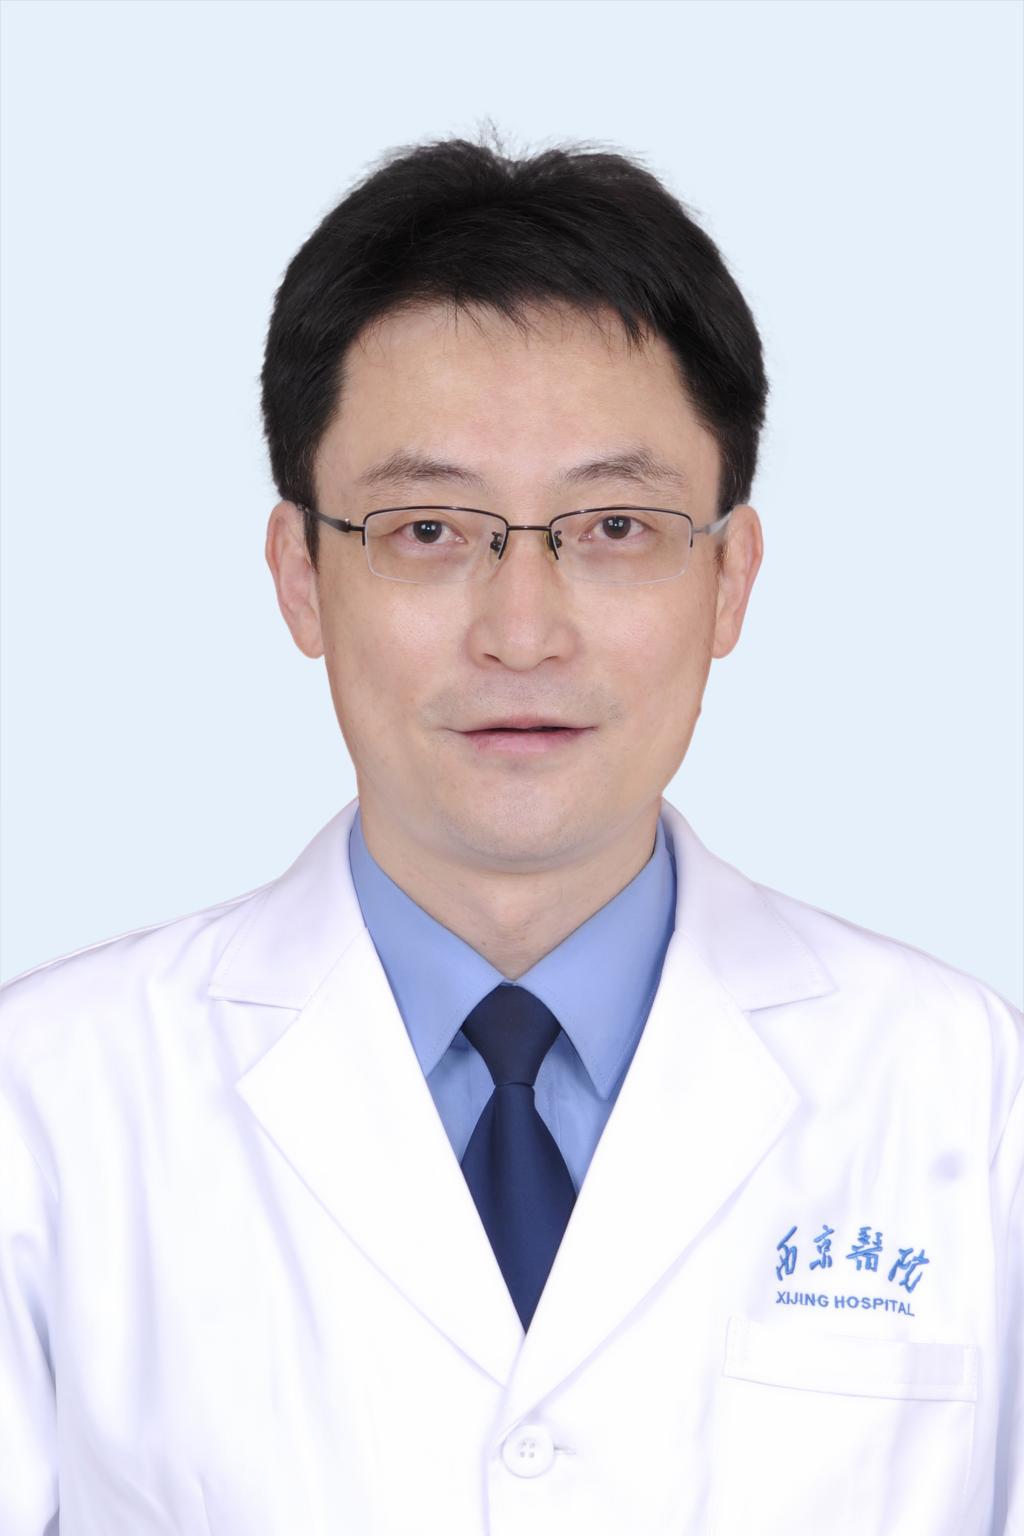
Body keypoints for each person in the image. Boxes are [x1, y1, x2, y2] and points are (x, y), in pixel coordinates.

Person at [0, 132, 1020, 1536]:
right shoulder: (47, 1106)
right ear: (301, 576)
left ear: (731, 579)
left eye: (614, 526)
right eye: (428, 529)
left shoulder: (967, 1093)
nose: (523, 632)